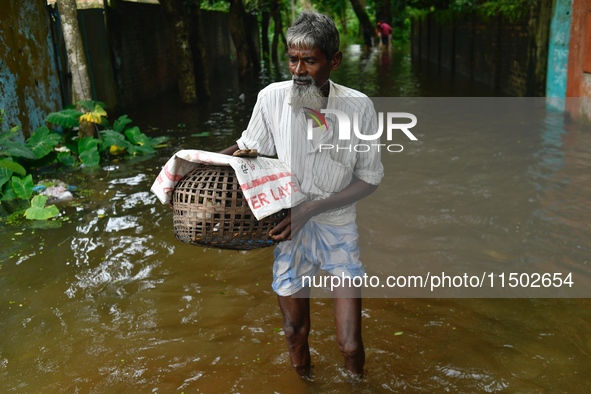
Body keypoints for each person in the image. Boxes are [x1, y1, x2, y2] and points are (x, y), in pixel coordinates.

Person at [220, 11, 383, 379]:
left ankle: (357, 385)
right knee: (295, 332)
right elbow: (250, 149)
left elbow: (369, 180)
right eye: (293, 59)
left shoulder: (359, 107)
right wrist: (195, 167)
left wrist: (311, 207)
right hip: (288, 226)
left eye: (309, 61)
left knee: (350, 344)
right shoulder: (271, 98)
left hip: (337, 225)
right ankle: (305, 383)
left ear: (333, 61)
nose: (298, 70)